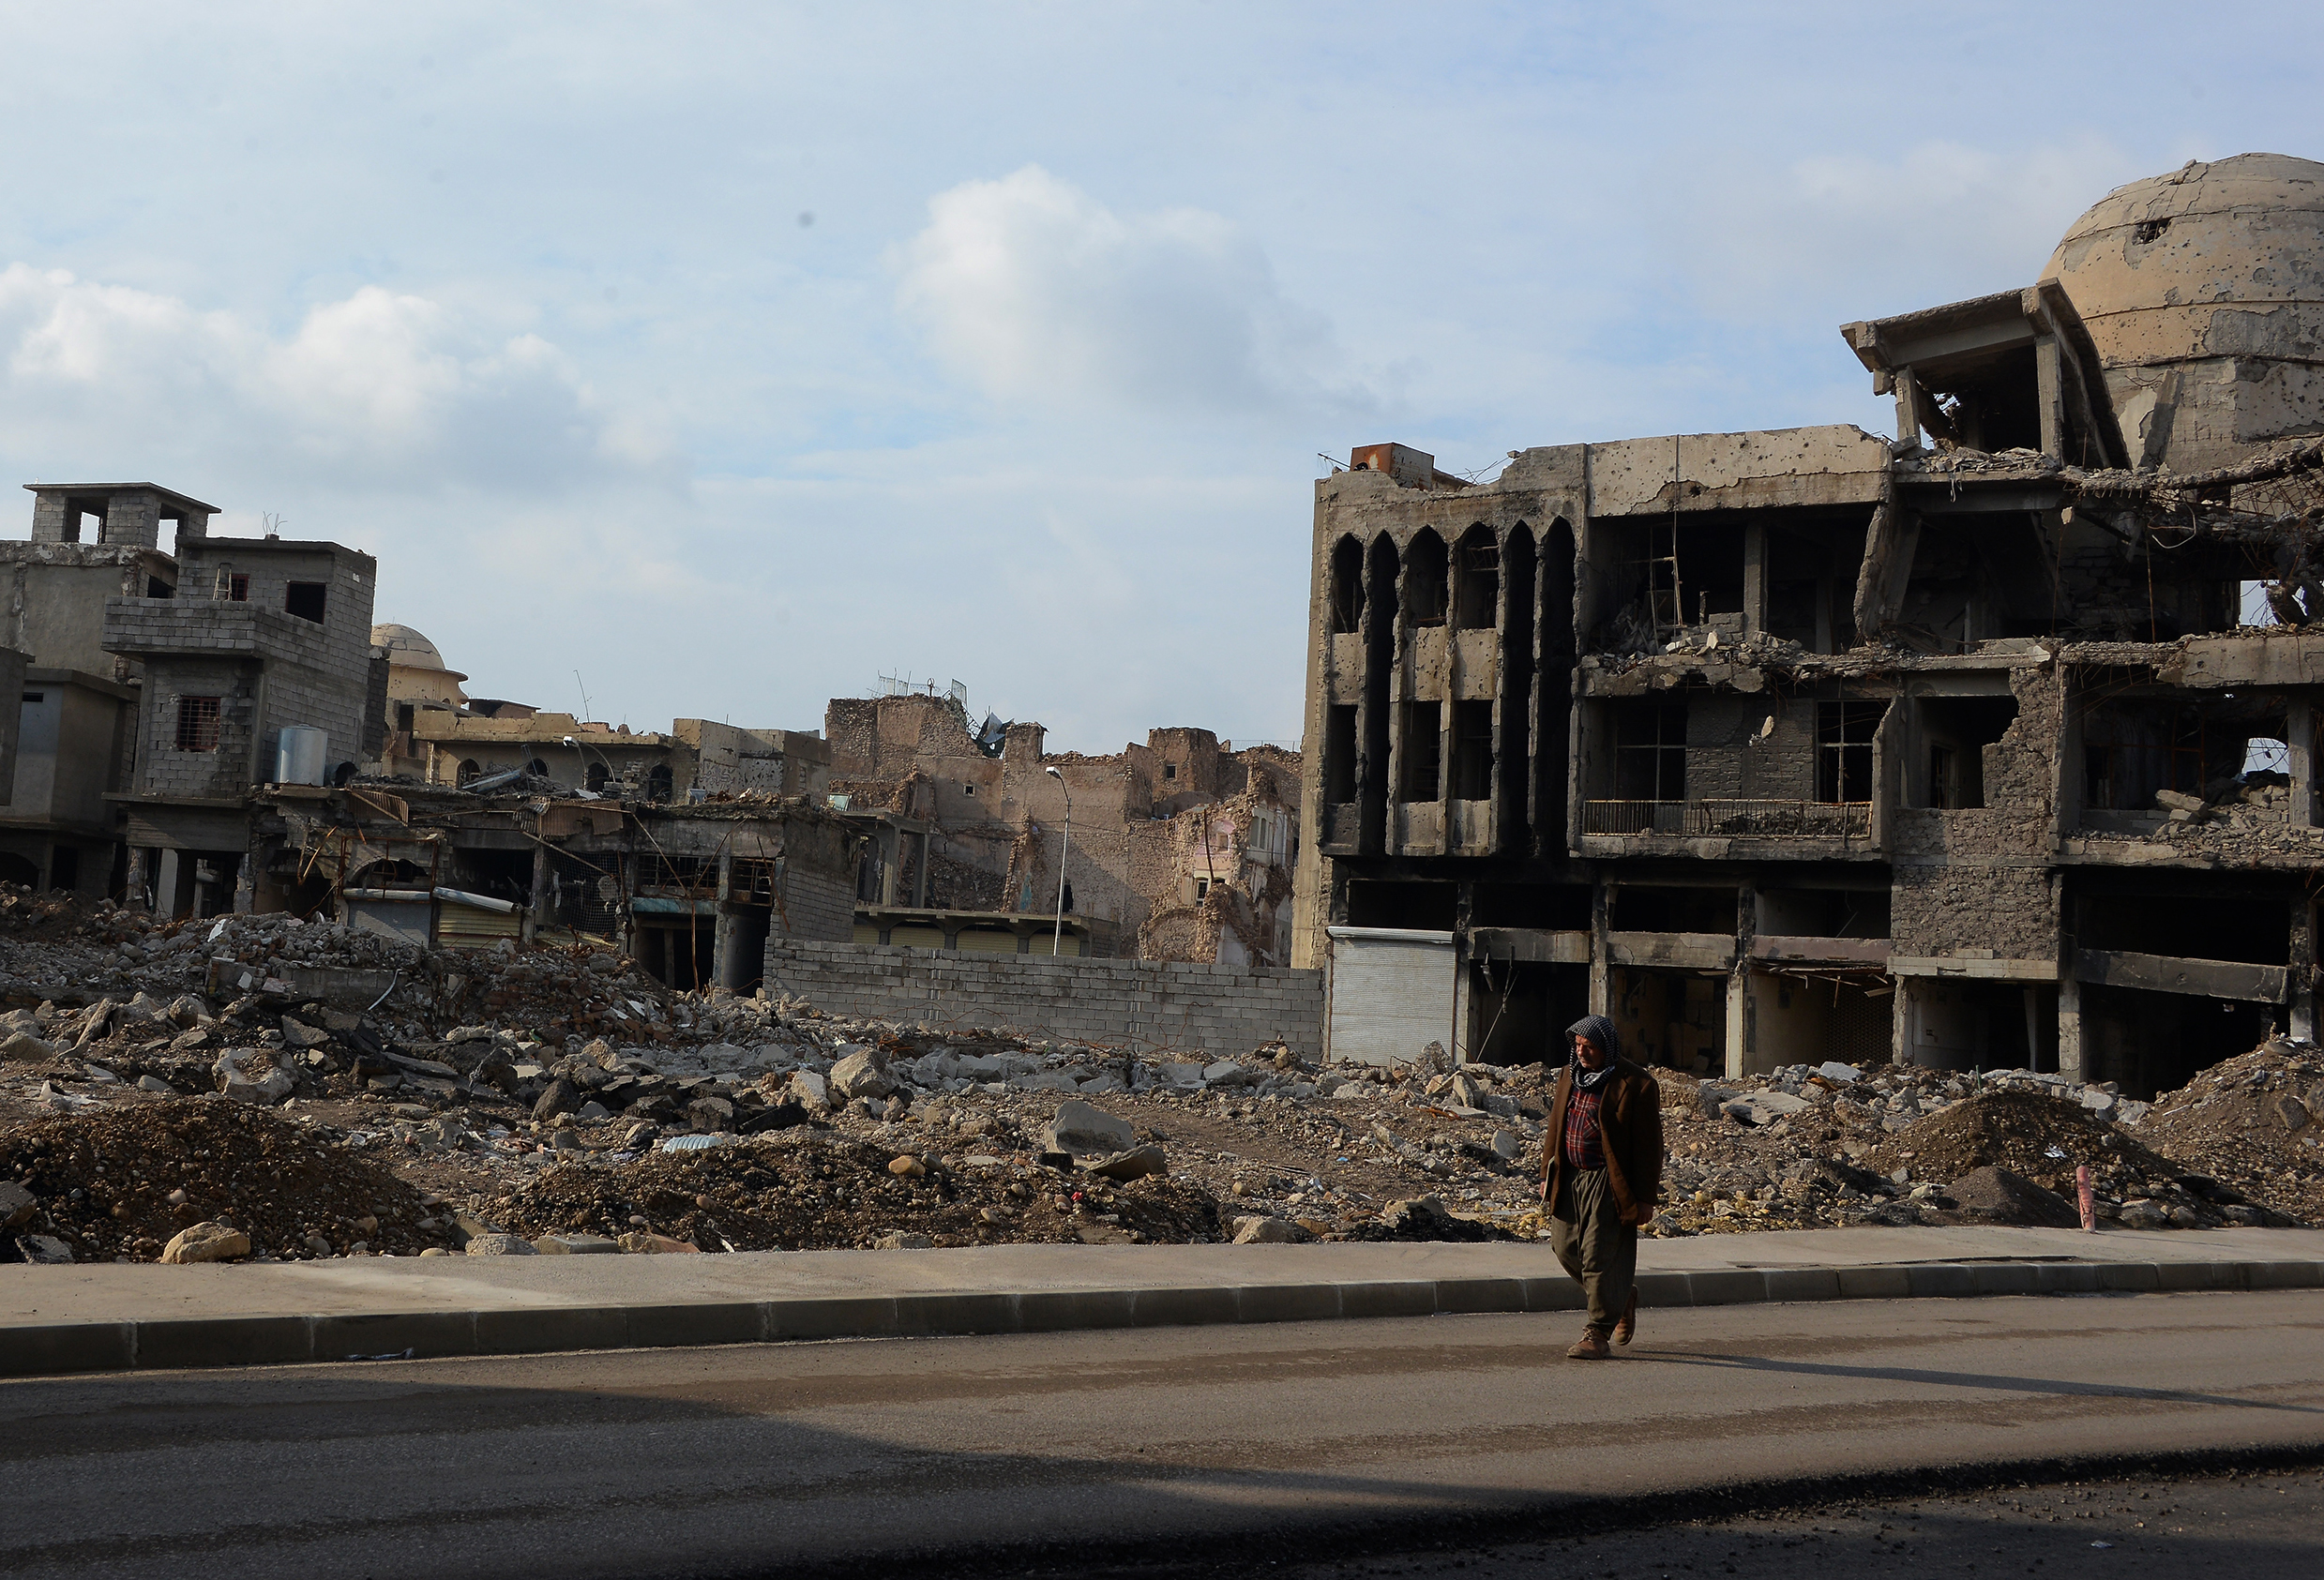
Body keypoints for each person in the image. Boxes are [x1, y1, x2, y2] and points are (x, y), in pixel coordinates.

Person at [1540, 1014, 1664, 1359]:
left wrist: (1644, 1198)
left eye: (1588, 1047)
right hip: (1569, 1176)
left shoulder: (1637, 1084)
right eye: (1577, 1045)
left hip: (1607, 1182)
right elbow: (1556, 1127)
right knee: (1564, 1247)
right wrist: (1545, 1175)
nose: (1581, 1052)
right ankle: (1620, 1296)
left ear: (1605, 1049)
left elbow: (1649, 1148)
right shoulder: (1569, 1075)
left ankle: (1597, 1332)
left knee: (1597, 1256)